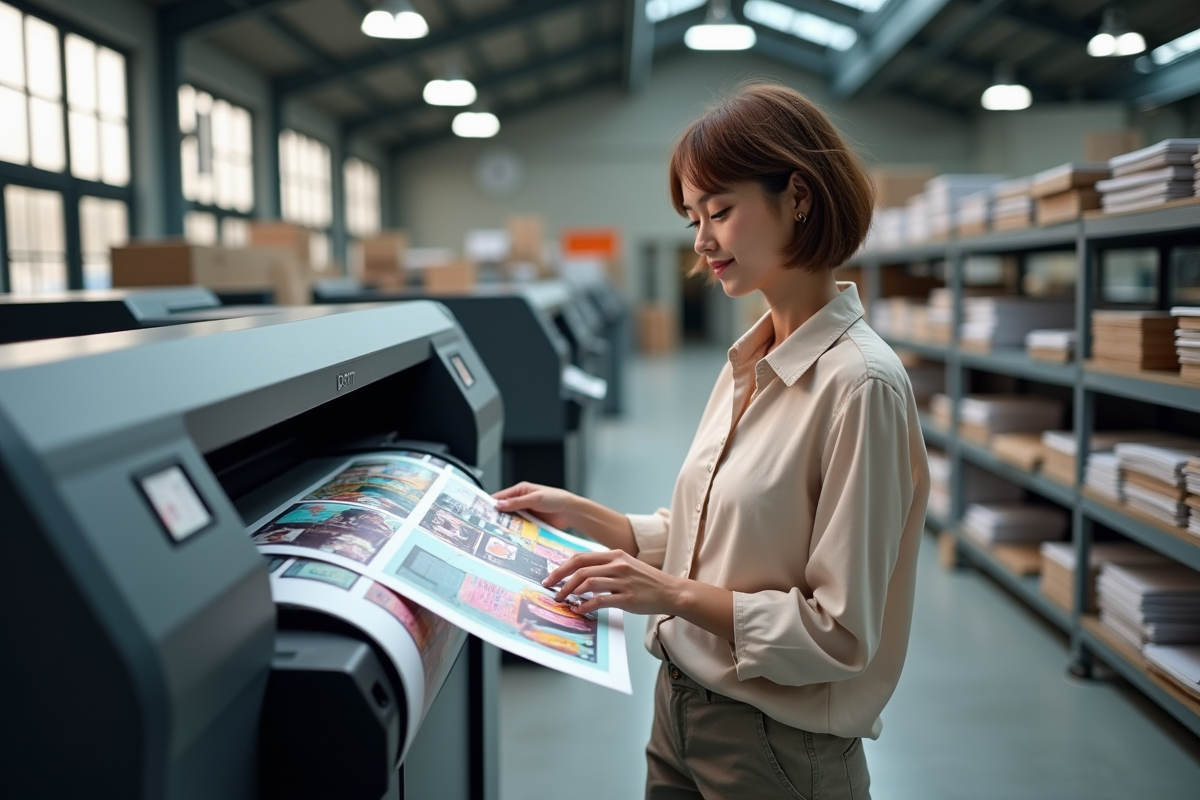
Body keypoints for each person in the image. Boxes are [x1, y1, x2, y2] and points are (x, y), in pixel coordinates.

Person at [494, 82, 929, 800]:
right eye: (693, 218)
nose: (700, 242)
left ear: (798, 196)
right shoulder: (748, 361)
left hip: (776, 747)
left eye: (719, 212)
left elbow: (840, 633)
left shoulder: (860, 387)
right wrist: (591, 519)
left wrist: (670, 593)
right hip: (678, 712)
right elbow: (720, 537)